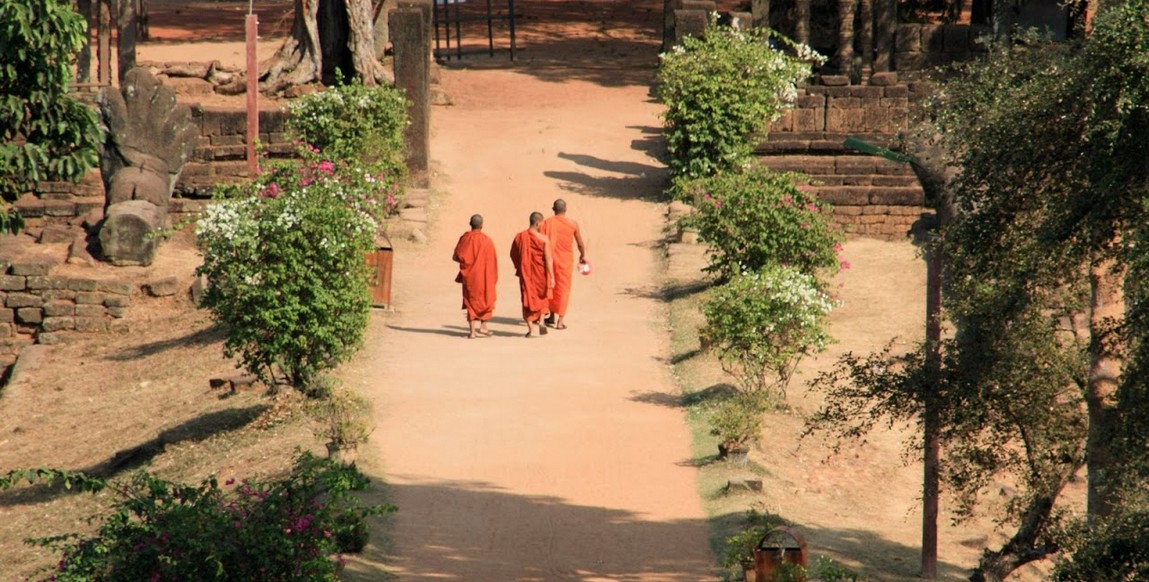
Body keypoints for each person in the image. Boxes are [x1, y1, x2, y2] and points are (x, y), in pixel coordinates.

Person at [539, 198, 586, 330]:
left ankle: (551, 315)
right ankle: (559, 320)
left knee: (551, 286)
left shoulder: (546, 223)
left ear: (553, 209)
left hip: (550, 260)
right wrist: (583, 255)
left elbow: (540, 242)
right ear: (565, 209)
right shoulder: (573, 224)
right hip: (565, 261)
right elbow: (580, 243)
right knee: (563, 289)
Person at [452, 214, 498, 338]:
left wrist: (467, 262)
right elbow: (493, 261)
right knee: (486, 298)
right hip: (484, 276)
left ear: (470, 224)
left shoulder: (465, 238)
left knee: (470, 301)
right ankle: (483, 327)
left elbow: (455, 257)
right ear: (482, 225)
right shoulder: (487, 241)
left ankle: (472, 331)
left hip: (470, 276)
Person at [510, 211, 554, 338]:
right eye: (542, 223)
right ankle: (541, 322)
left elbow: (513, 254)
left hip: (526, 274)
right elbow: (549, 260)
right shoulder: (544, 239)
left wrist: (520, 267)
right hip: (541, 273)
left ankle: (531, 330)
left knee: (527, 296)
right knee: (541, 296)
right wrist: (552, 277)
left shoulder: (520, 237)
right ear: (537, 223)